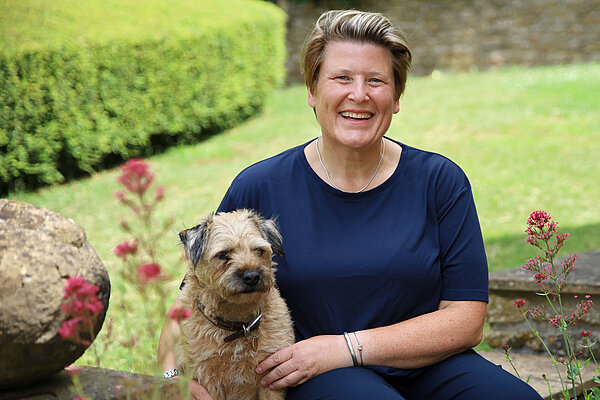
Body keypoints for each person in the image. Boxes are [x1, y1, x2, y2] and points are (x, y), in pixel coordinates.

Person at [158, 9, 543, 400]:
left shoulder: (440, 181)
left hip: (433, 365)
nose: (359, 94)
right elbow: (189, 300)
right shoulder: (260, 186)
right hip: (315, 373)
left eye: (376, 80)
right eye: (342, 78)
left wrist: (346, 347)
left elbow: (466, 321)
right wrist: (173, 377)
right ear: (312, 90)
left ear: (396, 97)